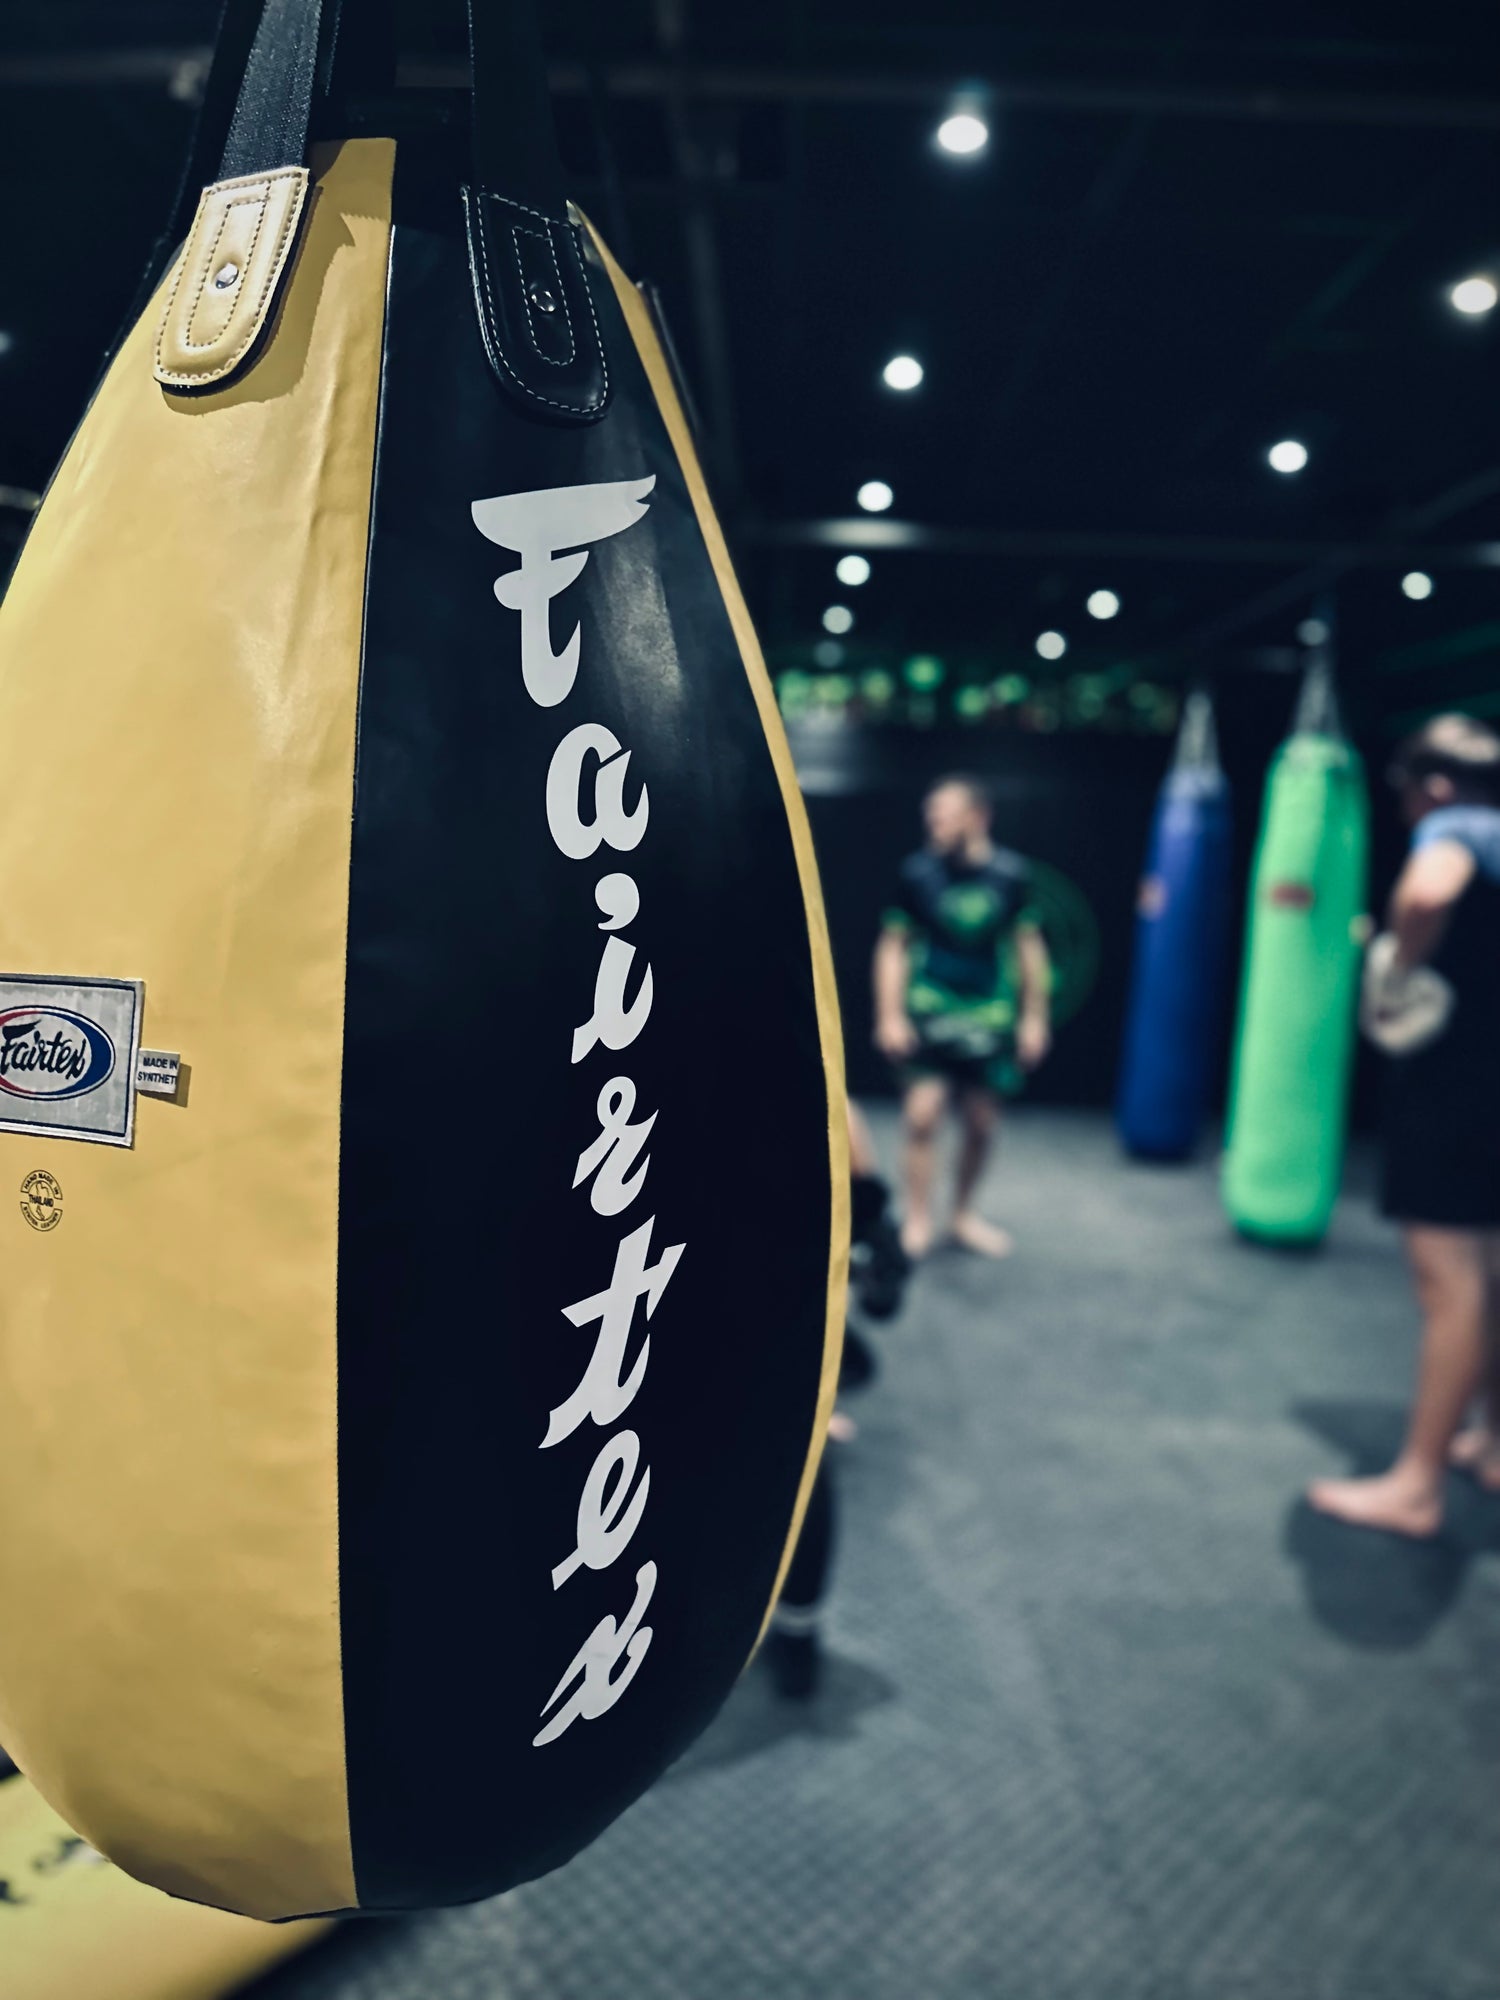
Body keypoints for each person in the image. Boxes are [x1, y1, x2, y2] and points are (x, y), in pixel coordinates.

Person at [1310, 713, 1500, 1536]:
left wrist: (1399, 964)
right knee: (1491, 1264)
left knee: (1449, 1279)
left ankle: (1416, 1486)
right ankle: (1491, 1440)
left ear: (1433, 787)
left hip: (1456, 1086)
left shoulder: (1456, 827)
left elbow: (1428, 892)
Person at [873, 775, 1052, 1260]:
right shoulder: (916, 874)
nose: (934, 823)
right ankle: (917, 1219)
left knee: (981, 1123)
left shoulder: (1012, 875)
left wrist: (1034, 1018)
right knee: (922, 1113)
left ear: (977, 817)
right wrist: (890, 1015)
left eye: (945, 814)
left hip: (989, 1015)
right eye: (930, 814)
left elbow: (1028, 947)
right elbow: (893, 946)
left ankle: (963, 1215)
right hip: (930, 1008)